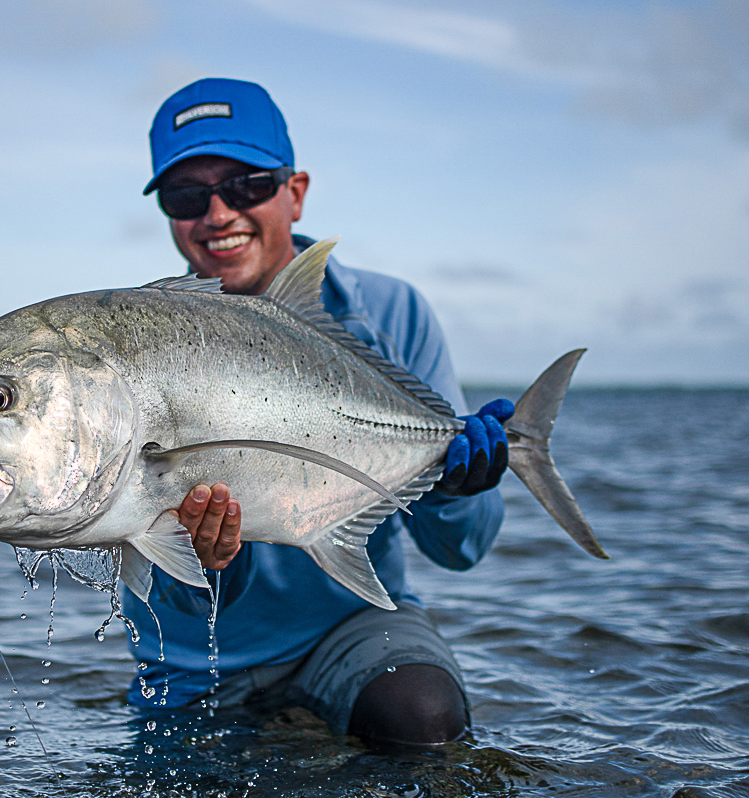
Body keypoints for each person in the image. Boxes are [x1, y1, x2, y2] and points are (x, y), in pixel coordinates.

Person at [122, 77, 513, 749]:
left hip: (352, 630)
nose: (218, 214)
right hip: (199, 663)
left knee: (424, 718)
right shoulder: (143, 343)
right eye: (189, 196)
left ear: (294, 191)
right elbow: (163, 586)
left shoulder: (392, 315)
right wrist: (202, 561)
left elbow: (461, 551)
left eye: (245, 185)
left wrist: (453, 488)